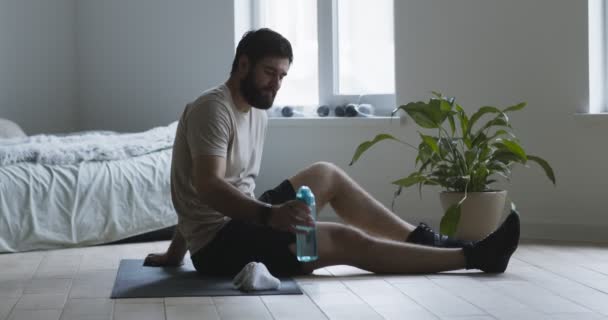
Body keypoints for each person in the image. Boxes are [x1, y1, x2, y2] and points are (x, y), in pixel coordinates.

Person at [144, 28, 520, 276]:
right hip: (218, 248)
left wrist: (176, 252)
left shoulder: (256, 110)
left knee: (326, 174)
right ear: (243, 65)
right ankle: (474, 257)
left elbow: (196, 192)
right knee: (343, 240)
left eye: (282, 76)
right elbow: (206, 187)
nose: (276, 85)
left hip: (244, 220)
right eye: (269, 73)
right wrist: (267, 216)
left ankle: (424, 242)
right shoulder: (213, 109)